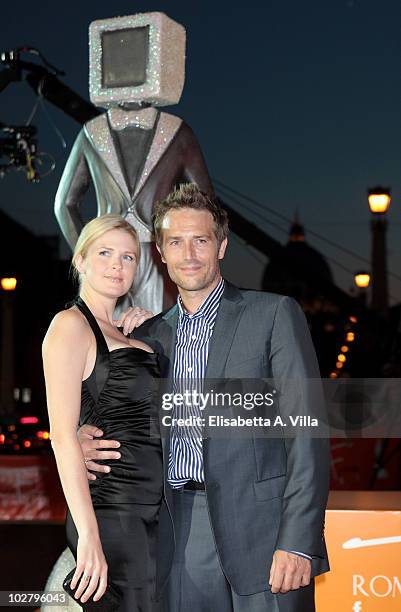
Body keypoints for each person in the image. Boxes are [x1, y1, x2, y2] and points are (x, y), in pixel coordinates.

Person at [78, 185, 330, 612]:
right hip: (178, 530)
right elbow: (116, 412)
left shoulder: (272, 314)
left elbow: (307, 434)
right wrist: (83, 434)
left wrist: (298, 542)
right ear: (160, 252)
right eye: (176, 242)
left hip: (264, 532)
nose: (189, 254)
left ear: (222, 246)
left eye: (201, 240)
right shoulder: (145, 337)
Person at [42, 214, 163, 612]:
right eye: (106, 253)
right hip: (112, 513)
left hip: (156, 511)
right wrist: (90, 535)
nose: (117, 265)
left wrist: (155, 332)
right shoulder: (70, 326)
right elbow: (61, 437)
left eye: (128, 257)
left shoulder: (132, 331)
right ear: (80, 261)